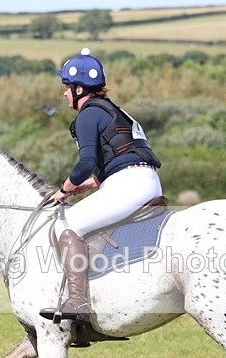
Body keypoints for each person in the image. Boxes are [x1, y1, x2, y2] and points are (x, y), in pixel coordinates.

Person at [39, 48, 163, 323]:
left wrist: (64, 189)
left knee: (65, 225)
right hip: (148, 180)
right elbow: (122, 157)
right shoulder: (117, 111)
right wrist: (90, 184)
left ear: (79, 88)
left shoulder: (87, 115)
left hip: (129, 185)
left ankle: (78, 304)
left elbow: (86, 162)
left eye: (67, 87)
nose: (64, 94)